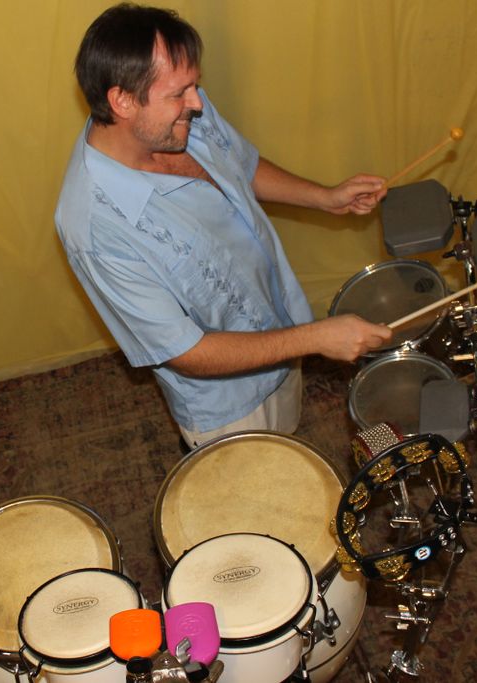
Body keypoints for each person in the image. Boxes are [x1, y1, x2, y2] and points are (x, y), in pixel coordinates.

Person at [55, 4, 392, 447]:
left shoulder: (178, 112)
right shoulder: (94, 227)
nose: (196, 103)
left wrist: (324, 197)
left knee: (288, 440)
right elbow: (185, 351)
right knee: (253, 503)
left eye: (193, 86)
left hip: (283, 332)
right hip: (228, 406)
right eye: (179, 93)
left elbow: (240, 166)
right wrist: (315, 338)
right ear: (122, 101)